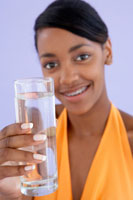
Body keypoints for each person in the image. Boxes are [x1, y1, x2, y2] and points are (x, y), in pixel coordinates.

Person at [0, 0, 133, 199]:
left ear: (108, 51)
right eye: (51, 64)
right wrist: (8, 195)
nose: (67, 79)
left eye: (82, 57)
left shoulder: (130, 142)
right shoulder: (39, 135)